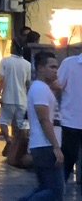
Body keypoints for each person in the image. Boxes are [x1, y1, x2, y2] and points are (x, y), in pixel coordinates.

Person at [21, 50, 64, 201]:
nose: (55, 71)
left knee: (45, 187)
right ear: (40, 68)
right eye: (52, 67)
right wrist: (56, 147)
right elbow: (44, 119)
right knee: (55, 191)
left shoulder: (43, 88)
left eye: (56, 67)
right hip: (45, 146)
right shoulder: (39, 88)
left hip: (42, 145)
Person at [0, 43, 33, 154]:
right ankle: (17, 147)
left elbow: (1, 80)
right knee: (20, 124)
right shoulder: (27, 64)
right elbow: (28, 83)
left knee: (3, 121)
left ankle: (8, 140)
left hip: (7, 98)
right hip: (22, 99)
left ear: (12, 49)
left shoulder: (5, 61)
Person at [57, 46, 82, 185]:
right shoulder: (69, 63)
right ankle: (58, 188)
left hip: (71, 119)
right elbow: (58, 85)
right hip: (71, 121)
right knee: (68, 158)